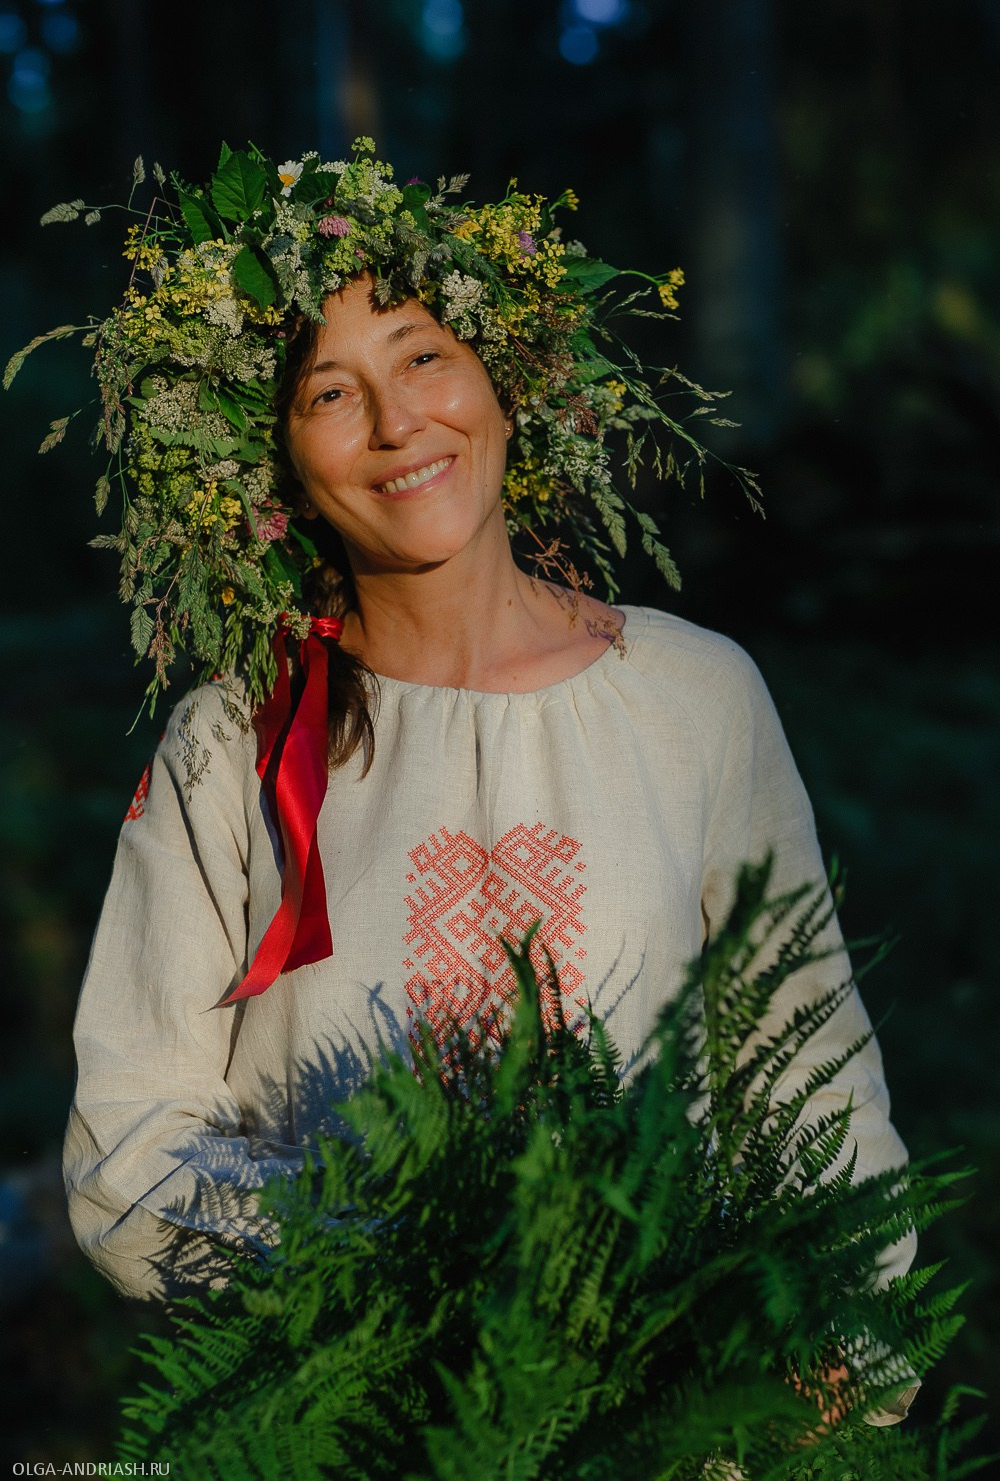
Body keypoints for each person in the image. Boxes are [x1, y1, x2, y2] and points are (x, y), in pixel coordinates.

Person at [25, 146, 910, 1362]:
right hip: (343, 1406)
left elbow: (809, 1073)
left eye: (424, 356)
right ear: (274, 456)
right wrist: (387, 1287)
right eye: (330, 392)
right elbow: (132, 1131)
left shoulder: (696, 697)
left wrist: (832, 1352)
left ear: (506, 379)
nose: (397, 425)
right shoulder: (233, 742)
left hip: (665, 1404)